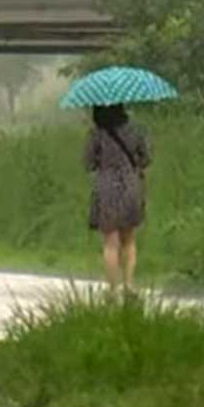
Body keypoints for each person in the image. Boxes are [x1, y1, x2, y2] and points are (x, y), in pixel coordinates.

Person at [84, 104, 151, 289]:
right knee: (128, 239)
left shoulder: (96, 134)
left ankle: (113, 289)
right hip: (130, 185)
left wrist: (102, 160)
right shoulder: (136, 131)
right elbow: (146, 159)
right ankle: (129, 285)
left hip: (106, 187)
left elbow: (88, 163)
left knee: (110, 243)